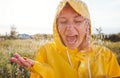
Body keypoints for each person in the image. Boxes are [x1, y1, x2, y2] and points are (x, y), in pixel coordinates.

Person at [10, 0, 120, 78]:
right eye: (63, 21)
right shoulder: (46, 52)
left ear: (87, 25)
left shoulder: (105, 55)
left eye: (77, 21)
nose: (70, 28)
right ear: (56, 26)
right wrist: (38, 68)